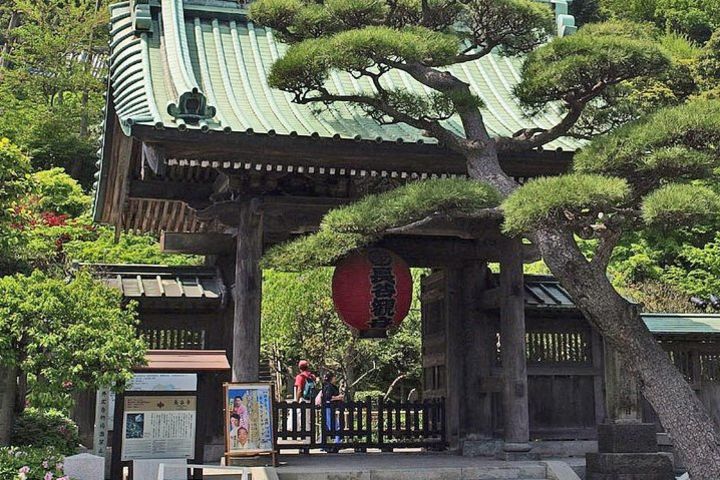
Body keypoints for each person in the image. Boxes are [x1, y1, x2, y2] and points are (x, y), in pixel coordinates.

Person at [321, 372, 344, 451]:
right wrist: (338, 397)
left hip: (329, 408)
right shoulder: (329, 387)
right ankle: (337, 442)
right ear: (331, 378)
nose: (335, 379)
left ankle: (322, 443)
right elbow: (328, 398)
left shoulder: (325, 386)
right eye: (334, 377)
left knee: (327, 426)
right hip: (329, 408)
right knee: (334, 426)